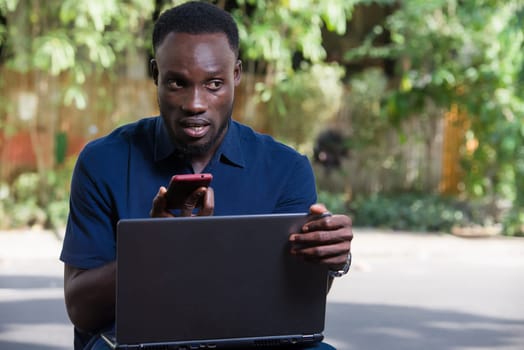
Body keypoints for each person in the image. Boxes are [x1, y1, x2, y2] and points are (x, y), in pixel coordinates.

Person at [60, 1, 353, 349]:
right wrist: (156, 250)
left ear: (237, 75)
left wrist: (326, 259)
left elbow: (297, 301)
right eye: (177, 83)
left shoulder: (286, 169)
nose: (195, 103)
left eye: (214, 84)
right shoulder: (103, 162)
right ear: (155, 74)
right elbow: (81, 309)